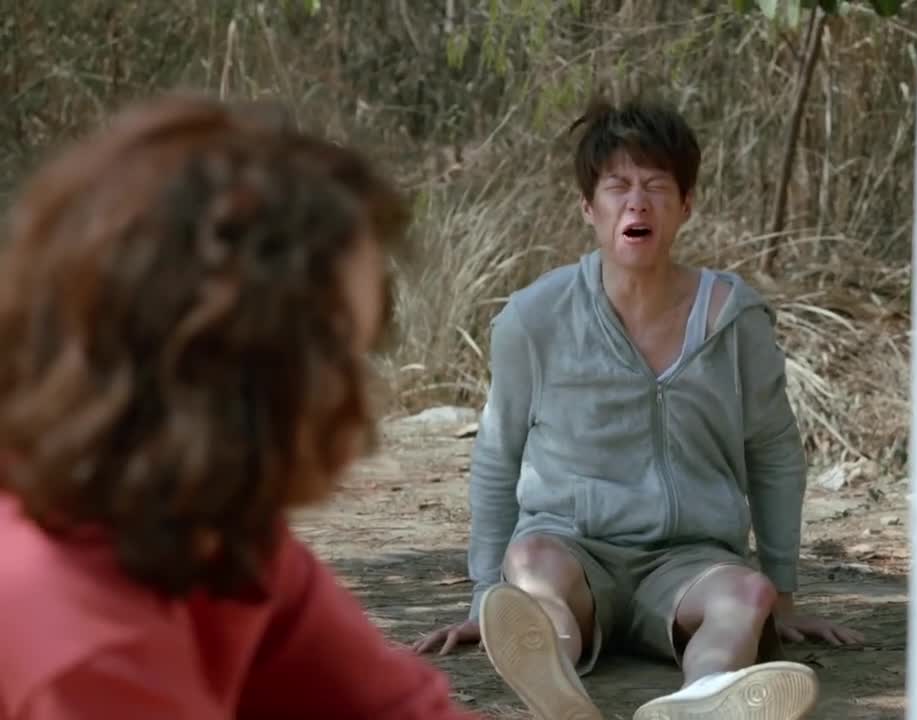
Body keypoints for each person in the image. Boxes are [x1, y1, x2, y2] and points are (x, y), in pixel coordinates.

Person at [0, 95, 474, 720]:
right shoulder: (82, 646)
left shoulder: (215, 538)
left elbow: (396, 707)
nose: (362, 411)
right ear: (210, 363)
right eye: (337, 356)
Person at [414, 98, 863, 720]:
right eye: (617, 187)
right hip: (572, 547)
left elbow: (774, 452)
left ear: (686, 205)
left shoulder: (736, 319)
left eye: (656, 186)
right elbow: (498, 453)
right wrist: (487, 596)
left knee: (746, 595)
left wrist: (781, 594)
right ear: (588, 207)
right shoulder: (535, 318)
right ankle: (556, 685)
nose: (637, 203)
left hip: (692, 560)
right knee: (532, 565)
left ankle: (699, 699)